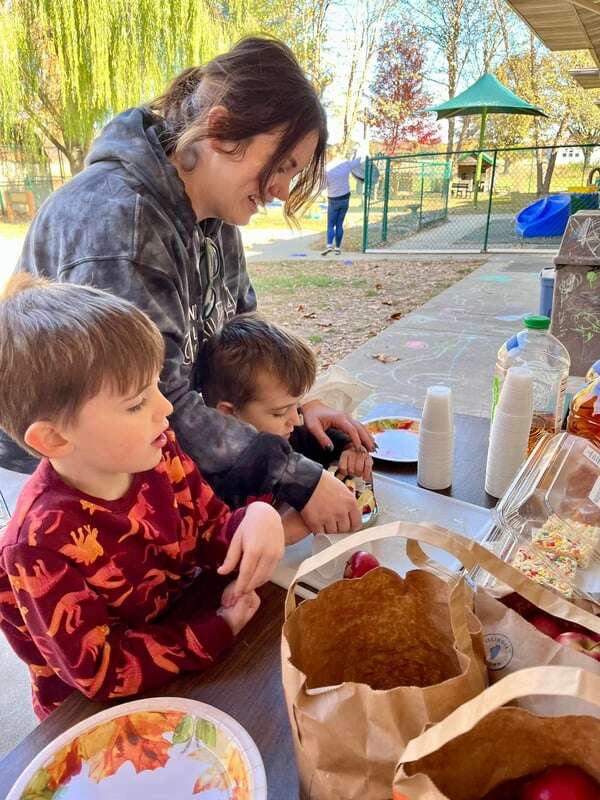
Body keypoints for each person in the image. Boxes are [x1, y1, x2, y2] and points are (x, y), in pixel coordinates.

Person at [0, 36, 374, 536]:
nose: (282, 189)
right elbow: (153, 406)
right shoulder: (122, 224)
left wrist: (295, 407)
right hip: (63, 495)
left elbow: (243, 344)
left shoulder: (217, 215)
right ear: (219, 130)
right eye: (282, 165)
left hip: (150, 461)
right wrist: (294, 477)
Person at [0, 275, 295, 718]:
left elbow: (210, 527)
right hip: (96, 716)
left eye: (156, 385)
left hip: (183, 633)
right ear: (55, 438)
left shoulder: (157, 452)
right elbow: (101, 670)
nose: (166, 407)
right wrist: (217, 629)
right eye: (137, 402)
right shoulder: (37, 545)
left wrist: (254, 519)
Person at [201, 312, 373, 510]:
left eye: (297, 405)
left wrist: (351, 449)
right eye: (279, 412)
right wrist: (290, 528)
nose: (296, 420)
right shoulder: (211, 483)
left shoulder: (285, 433)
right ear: (228, 414)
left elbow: (326, 443)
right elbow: (223, 539)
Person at [321, 151, 362, 256]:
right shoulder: (346, 164)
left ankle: (329, 245)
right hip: (345, 199)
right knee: (339, 224)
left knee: (330, 225)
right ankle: (338, 248)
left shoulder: (326, 170)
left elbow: (324, 186)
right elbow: (358, 161)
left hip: (333, 200)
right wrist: (356, 152)